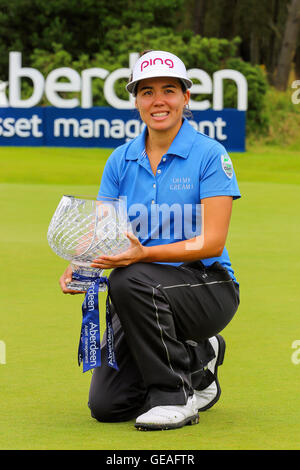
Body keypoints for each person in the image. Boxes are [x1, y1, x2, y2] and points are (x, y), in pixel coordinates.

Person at [59, 50, 241, 431]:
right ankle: (198, 360)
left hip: (207, 287)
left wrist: (142, 255)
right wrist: (79, 267)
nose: (158, 100)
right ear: (136, 100)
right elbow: (105, 235)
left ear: (185, 97)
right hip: (142, 295)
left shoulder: (210, 154)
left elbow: (211, 242)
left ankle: (174, 396)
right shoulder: (120, 160)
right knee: (107, 406)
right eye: (147, 92)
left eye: (169, 90)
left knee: (128, 276)